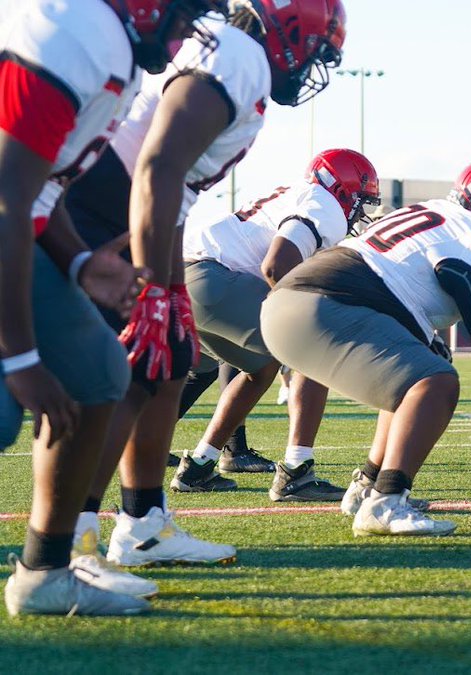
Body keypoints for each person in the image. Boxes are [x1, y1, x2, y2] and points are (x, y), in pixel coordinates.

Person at [66, 0, 348, 570]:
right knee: (127, 374)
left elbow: (175, 190)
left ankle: (143, 523)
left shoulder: (240, 61)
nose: (314, 66)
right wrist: (151, 288)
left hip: (132, 216)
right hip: (99, 210)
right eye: (317, 50)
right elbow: (156, 168)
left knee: (168, 362)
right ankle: (71, 542)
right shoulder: (241, 56)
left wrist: (171, 287)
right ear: (292, 32)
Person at [0, 0, 219, 615]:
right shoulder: (77, 30)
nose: (185, 37)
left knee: (101, 371)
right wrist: (19, 357)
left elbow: (44, 188)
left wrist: (78, 261)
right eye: (182, 17)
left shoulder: (114, 47)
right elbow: (6, 198)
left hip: (29, 225)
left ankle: (43, 573)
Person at [262, 158, 471, 536]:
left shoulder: (434, 212)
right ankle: (387, 502)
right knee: (438, 382)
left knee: (423, 366)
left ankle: (369, 486)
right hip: (327, 306)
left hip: (284, 306)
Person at [171, 148, 379, 501]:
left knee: (259, 370)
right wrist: (298, 324)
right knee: (315, 350)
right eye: (360, 199)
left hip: (188, 278)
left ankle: (199, 467)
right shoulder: (322, 203)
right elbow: (276, 264)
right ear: (342, 189)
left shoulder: (295, 193)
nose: (360, 210)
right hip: (213, 277)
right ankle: (297, 472)